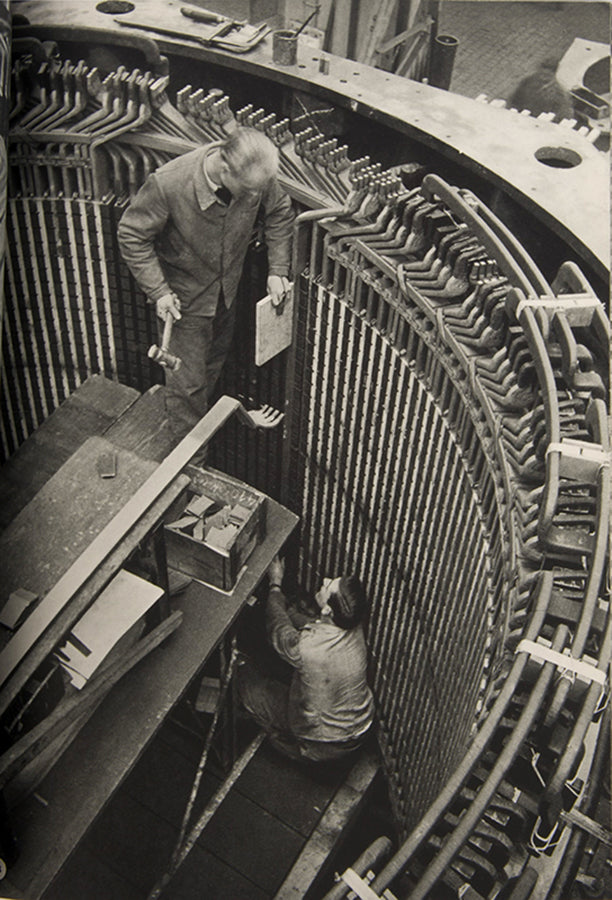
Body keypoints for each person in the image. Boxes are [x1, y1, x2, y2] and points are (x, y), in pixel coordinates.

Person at [117, 127, 294, 441]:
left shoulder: (255, 178)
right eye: (249, 191)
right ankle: (191, 462)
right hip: (185, 306)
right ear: (224, 168)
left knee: (210, 368)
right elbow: (132, 235)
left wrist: (277, 269)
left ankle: (197, 427)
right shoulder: (169, 183)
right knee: (188, 389)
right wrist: (159, 291)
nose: (255, 197)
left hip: (226, 296)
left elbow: (279, 210)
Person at [237, 556, 374, 762]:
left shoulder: (307, 648)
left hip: (323, 742)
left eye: (329, 585)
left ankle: (288, 745)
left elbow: (278, 630)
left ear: (328, 609)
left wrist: (275, 585)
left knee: (246, 683)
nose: (326, 579)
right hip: (359, 727)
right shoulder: (352, 624)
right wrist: (290, 612)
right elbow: (317, 626)